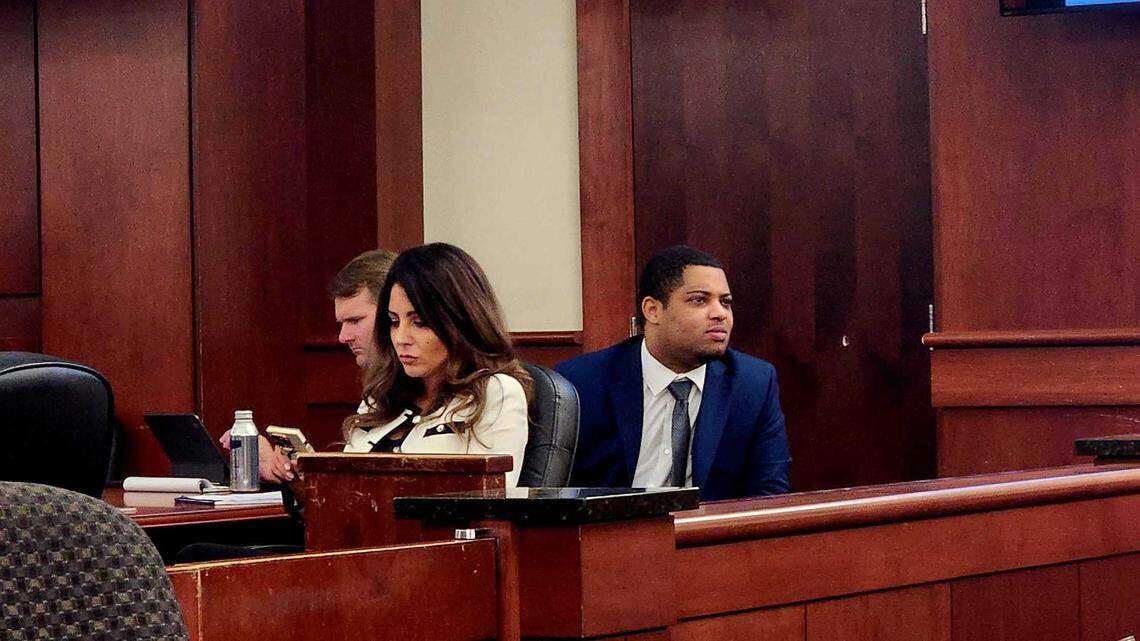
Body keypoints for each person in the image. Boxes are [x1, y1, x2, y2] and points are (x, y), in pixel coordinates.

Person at [555, 245, 791, 500]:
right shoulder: (580, 382)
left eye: (726, 302)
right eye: (699, 300)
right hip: (612, 533)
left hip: (707, 534)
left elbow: (769, 491)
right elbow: (556, 490)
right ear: (652, 310)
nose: (720, 313)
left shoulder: (753, 383)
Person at [342, 243, 531, 487]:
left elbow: (488, 503)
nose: (401, 338)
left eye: (419, 322)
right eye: (393, 322)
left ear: (460, 321)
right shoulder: (380, 397)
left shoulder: (496, 393)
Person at [220, 249, 397, 483]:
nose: (343, 337)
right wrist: (286, 471)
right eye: (342, 323)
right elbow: (352, 492)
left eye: (355, 320)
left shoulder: (441, 397)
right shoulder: (377, 392)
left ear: (392, 315)